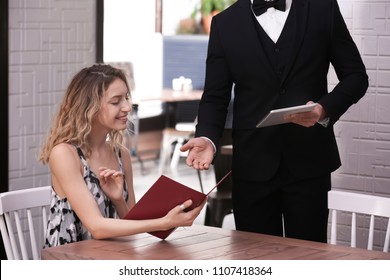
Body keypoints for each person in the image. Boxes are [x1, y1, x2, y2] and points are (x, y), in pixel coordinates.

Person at [180, 0, 368, 243]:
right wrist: (208, 138)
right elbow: (215, 96)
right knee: (255, 257)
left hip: (309, 163)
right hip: (252, 165)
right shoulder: (224, 23)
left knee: (307, 260)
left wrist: (323, 109)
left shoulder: (323, 8)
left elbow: (356, 76)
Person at [39, 64, 206, 247]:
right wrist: (164, 222)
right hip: (68, 260)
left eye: (126, 98)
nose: (127, 107)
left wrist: (118, 200)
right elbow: (96, 227)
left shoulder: (121, 154)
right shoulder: (64, 154)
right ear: (88, 107)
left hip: (110, 255)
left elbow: (131, 224)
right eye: (116, 101)